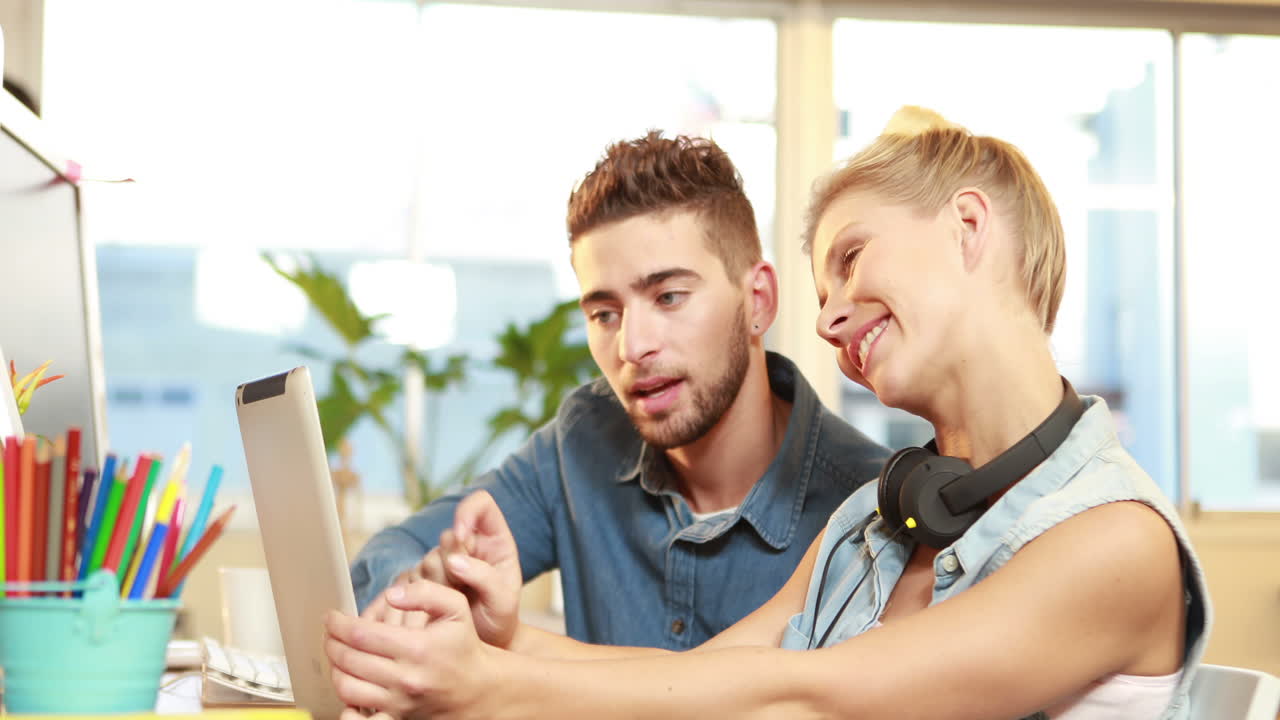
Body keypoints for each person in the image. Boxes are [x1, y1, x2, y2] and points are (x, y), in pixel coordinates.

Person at [323, 108, 1211, 720]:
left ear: (968, 229)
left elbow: (799, 699)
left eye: (853, 258)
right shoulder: (877, 519)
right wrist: (500, 644)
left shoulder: (1116, 542)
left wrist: (486, 687)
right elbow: (704, 684)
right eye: (823, 290)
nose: (825, 318)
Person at [349, 131, 890, 649]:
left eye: (670, 297)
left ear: (759, 301)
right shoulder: (583, 440)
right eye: (604, 313)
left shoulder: (871, 503)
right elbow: (388, 557)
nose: (632, 346)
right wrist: (417, 593)